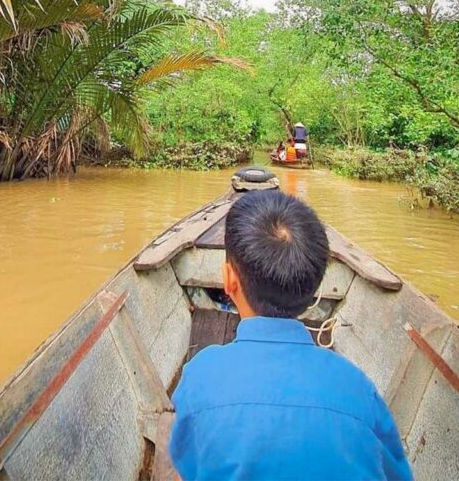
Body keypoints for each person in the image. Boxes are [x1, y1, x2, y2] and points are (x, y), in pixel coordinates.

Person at [169, 190, 413, 481]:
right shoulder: (358, 388)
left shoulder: (200, 376)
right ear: (314, 286)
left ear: (229, 280)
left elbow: (187, 466)